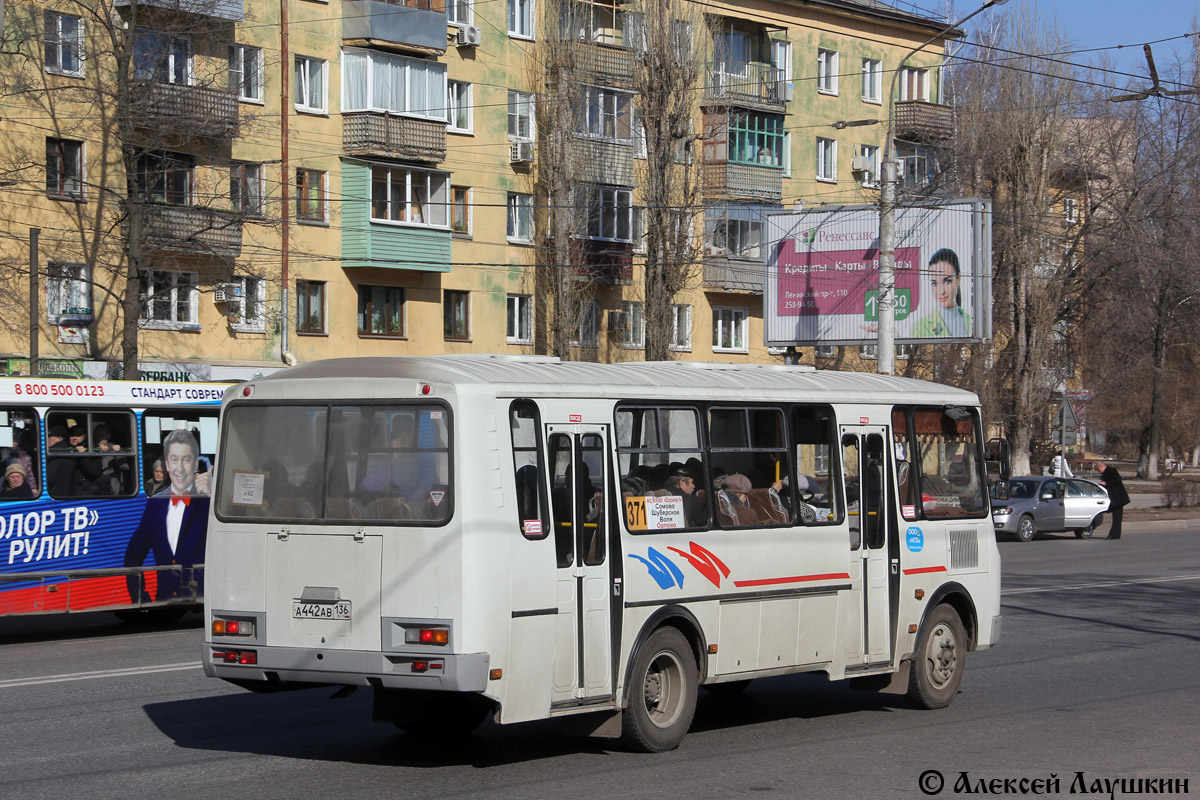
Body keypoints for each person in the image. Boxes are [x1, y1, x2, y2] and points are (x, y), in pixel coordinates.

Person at [123, 429, 210, 603]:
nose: (179, 468)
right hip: (165, 600)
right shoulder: (156, 504)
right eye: (174, 459)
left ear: (195, 465)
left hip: (203, 599)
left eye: (186, 460)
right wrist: (141, 597)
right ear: (167, 465)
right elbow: (133, 556)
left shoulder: (207, 502)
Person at [911, 248, 972, 338]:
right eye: (934, 283)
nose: (941, 291)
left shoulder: (971, 322)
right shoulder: (920, 327)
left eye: (947, 281)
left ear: (958, 278)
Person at [1095, 461, 1130, 540]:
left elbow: (1116, 480)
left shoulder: (1111, 471)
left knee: (1117, 517)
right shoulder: (1106, 472)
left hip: (1118, 498)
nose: (1098, 471)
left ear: (1101, 467)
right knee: (1116, 517)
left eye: (1098, 469)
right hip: (1115, 498)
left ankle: (1114, 534)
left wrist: (1106, 483)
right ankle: (1115, 534)